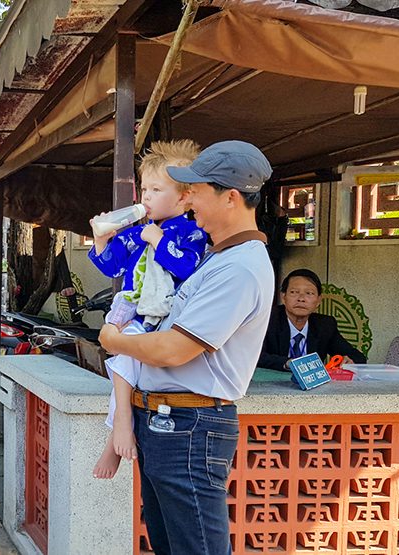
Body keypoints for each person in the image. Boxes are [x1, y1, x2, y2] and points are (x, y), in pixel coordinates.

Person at [99, 140, 275, 555]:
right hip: (168, 421)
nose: (188, 198)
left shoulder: (240, 267)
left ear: (230, 197)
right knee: (169, 542)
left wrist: (113, 340)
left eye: (195, 189)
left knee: (197, 547)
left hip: (191, 425)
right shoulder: (216, 257)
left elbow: (175, 350)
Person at [88, 140, 207, 480]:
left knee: (125, 356)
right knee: (121, 356)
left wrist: (159, 241)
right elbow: (112, 268)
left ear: (184, 197)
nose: (147, 197)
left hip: (158, 314)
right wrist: (101, 240)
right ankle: (118, 429)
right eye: (144, 189)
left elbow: (188, 267)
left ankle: (119, 427)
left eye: (157, 189)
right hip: (130, 308)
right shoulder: (137, 232)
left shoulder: (192, 232)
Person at [258, 268, 367, 370]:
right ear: (283, 297)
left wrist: (349, 361)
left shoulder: (325, 325)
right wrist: (288, 363)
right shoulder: (267, 319)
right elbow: (256, 356)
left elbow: (358, 357)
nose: (301, 299)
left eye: (309, 293)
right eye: (294, 292)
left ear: (319, 300)